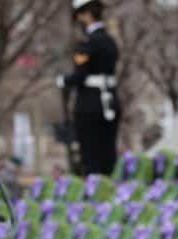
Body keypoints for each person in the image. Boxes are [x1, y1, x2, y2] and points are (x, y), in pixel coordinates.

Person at [57, 0, 120, 176]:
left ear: (86, 15)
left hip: (90, 103)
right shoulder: (110, 41)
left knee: (90, 153)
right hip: (111, 101)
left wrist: (63, 80)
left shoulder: (88, 43)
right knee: (108, 150)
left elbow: (80, 75)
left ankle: (94, 189)